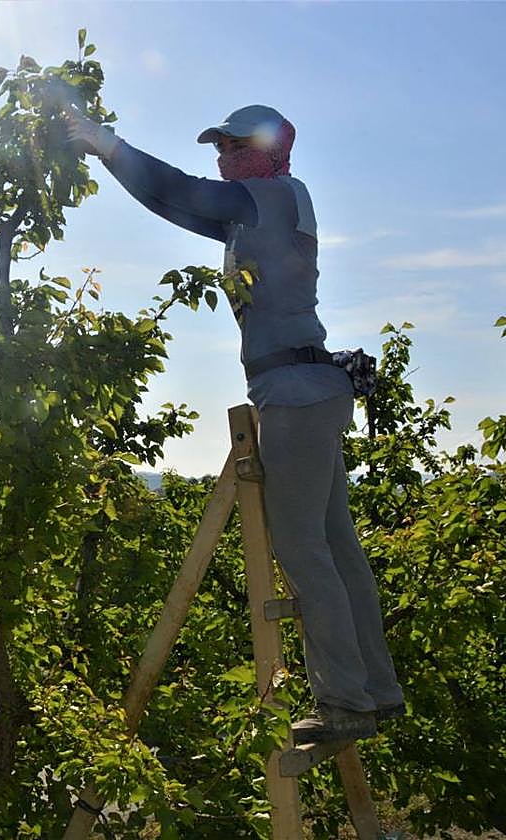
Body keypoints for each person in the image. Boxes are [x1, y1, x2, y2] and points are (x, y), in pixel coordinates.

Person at [66, 105, 405, 745]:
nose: (222, 156)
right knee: (335, 545)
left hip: (295, 393)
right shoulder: (259, 207)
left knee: (304, 546)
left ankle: (347, 701)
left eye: (232, 146)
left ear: (266, 150)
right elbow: (176, 204)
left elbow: (189, 193)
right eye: (218, 147)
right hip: (311, 388)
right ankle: (375, 691)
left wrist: (110, 142)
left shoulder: (272, 196)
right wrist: (110, 158)